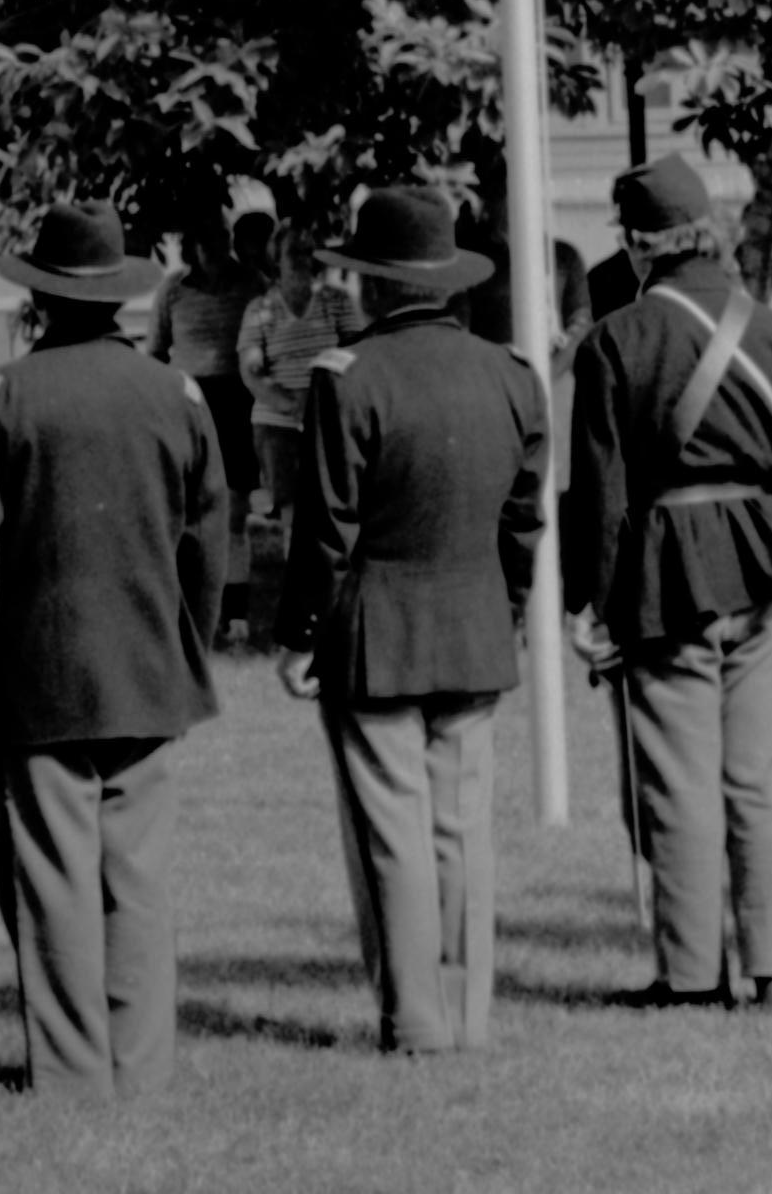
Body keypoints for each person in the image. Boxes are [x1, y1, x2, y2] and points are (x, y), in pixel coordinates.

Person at [0, 198, 228, 1102]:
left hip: (39, 676)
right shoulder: (175, 395)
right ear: (122, 300)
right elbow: (206, 544)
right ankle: (140, 1069)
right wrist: (188, 648)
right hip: (147, 668)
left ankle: (71, 1073)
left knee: (54, 879)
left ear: (41, 300)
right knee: (137, 880)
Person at [566, 154, 772, 1012]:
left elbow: (601, 491)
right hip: (766, 561)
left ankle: (690, 975)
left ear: (638, 244)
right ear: (709, 234)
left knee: (677, 784)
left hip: (664, 571)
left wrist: (596, 599)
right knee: (760, 776)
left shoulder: (615, 339)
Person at [275, 186, 550, 1059]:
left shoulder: (349, 378)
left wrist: (301, 633)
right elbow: (523, 521)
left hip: (376, 629)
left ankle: (416, 1020)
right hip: (473, 624)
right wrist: (504, 610)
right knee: (461, 831)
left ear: (380, 286)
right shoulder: (511, 376)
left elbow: (326, 527)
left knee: (391, 829)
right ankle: (463, 1020)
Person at [146, 215, 260, 638]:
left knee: (232, 512)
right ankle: (189, 608)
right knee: (184, 507)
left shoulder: (251, 283)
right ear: (193, 248)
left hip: (236, 401)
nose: (217, 251)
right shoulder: (173, 290)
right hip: (188, 401)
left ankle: (236, 614)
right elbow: (155, 351)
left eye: (223, 241)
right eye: (208, 243)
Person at [237, 226, 361, 537]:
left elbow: (356, 359)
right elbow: (251, 370)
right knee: (290, 512)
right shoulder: (260, 309)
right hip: (277, 421)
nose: (304, 259)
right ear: (276, 259)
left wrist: (320, 406)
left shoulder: (337, 300)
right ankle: (298, 578)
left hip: (329, 418)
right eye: (294, 251)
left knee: (336, 505)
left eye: (310, 251)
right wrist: (293, 405)